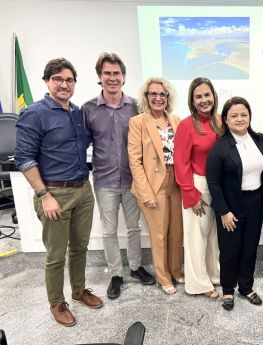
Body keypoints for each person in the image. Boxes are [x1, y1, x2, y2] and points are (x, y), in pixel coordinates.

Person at [15, 58, 103, 327]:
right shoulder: (35, 113)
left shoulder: (77, 112)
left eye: (69, 80)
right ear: (47, 82)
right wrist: (45, 196)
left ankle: (78, 291)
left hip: (82, 190)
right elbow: (24, 159)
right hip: (55, 193)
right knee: (55, 255)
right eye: (58, 79)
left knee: (80, 247)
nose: (64, 85)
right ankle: (56, 302)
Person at [82, 53, 155, 300]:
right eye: (107, 74)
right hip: (104, 181)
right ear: (100, 77)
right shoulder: (88, 109)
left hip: (133, 180)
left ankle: (135, 267)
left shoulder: (136, 107)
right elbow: (81, 145)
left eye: (116, 73)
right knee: (109, 230)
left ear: (123, 77)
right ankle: (115, 274)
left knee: (134, 227)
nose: (112, 78)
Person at [206, 97, 263, 311]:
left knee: (250, 248)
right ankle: (227, 290)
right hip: (230, 206)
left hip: (255, 202)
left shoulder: (260, 140)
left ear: (249, 116)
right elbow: (213, 183)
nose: (239, 119)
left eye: (243, 114)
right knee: (230, 250)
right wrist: (223, 211)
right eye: (234, 115)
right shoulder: (220, 147)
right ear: (225, 119)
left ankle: (246, 287)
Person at [128, 77, 184, 295]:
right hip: (153, 185)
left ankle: (176, 270)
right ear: (146, 96)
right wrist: (146, 193)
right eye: (153, 94)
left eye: (163, 94)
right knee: (159, 234)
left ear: (168, 97)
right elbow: (135, 160)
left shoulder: (176, 120)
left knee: (176, 232)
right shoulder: (138, 122)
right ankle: (163, 277)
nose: (158, 98)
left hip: (176, 183)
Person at [174, 77, 221, 298]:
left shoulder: (220, 121)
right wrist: (191, 195)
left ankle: (213, 275)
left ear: (214, 96)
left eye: (207, 95)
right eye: (199, 96)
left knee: (212, 236)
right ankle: (198, 284)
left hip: (217, 185)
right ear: (192, 101)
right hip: (197, 184)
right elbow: (181, 164)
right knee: (195, 237)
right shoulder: (186, 125)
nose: (204, 100)